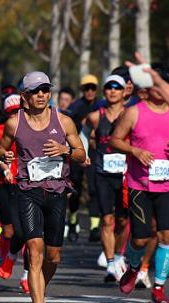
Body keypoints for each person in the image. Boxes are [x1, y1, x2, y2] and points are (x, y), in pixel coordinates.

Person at [0, 71, 86, 303]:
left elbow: (81, 154)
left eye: (45, 90)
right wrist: (6, 154)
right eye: (35, 91)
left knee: (53, 256)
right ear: (24, 96)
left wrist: (66, 151)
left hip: (57, 192)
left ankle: (39, 292)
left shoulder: (64, 120)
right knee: (34, 249)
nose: (41, 95)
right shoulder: (14, 123)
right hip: (28, 191)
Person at [110, 63, 169, 303]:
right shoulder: (134, 112)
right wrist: (135, 150)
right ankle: (132, 267)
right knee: (140, 239)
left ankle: (160, 287)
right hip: (139, 184)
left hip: (167, 184)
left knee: (166, 235)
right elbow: (114, 140)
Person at [0, 94, 29, 293]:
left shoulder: (32, 131)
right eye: (11, 112)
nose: (15, 115)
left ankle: (27, 276)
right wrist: (2, 168)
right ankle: (6, 255)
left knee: (30, 234)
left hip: (27, 187)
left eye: (18, 111)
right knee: (10, 232)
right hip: (5, 187)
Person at [84, 75, 129, 282]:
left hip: (126, 175)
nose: (113, 91)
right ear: (104, 92)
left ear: (124, 92)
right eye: (109, 88)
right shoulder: (95, 116)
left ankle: (119, 257)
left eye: (117, 88)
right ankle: (111, 264)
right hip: (102, 174)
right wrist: (84, 153)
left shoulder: (131, 114)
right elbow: (83, 135)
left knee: (121, 220)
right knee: (107, 218)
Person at [66, 74, 101, 242]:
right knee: (76, 188)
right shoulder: (75, 107)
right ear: (82, 90)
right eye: (86, 88)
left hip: (96, 151)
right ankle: (72, 222)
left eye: (92, 88)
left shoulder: (102, 105)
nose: (90, 91)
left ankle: (95, 227)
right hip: (78, 151)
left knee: (95, 188)